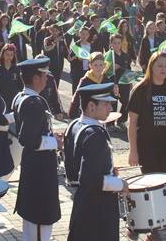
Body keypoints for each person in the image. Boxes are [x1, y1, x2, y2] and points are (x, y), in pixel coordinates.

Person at [66, 83, 128, 241]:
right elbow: (91, 179)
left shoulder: (75, 125)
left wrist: (108, 169)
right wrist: (120, 184)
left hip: (82, 203)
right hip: (98, 209)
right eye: (106, 103)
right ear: (91, 106)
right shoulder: (95, 134)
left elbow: (76, 171)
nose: (110, 107)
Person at [12, 57, 62, 241]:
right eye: (44, 75)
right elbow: (27, 138)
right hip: (40, 168)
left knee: (32, 222)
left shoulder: (21, 97)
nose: (47, 79)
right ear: (35, 78)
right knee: (40, 220)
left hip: (33, 165)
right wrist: (54, 142)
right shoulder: (34, 102)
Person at [127, 51, 166, 174]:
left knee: (165, 180)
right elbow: (132, 122)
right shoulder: (140, 90)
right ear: (151, 67)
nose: (163, 69)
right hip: (146, 146)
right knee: (151, 182)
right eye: (159, 65)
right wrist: (133, 151)